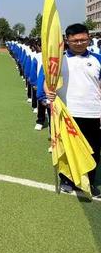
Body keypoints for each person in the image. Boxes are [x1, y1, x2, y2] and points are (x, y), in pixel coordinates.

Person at [44, 23, 101, 196]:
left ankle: (89, 181)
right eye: (75, 40)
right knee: (66, 148)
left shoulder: (97, 59)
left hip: (93, 112)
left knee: (92, 149)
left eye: (83, 39)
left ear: (88, 39)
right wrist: (49, 93)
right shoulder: (58, 60)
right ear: (66, 40)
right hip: (67, 113)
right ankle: (67, 180)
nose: (79, 43)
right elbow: (47, 82)